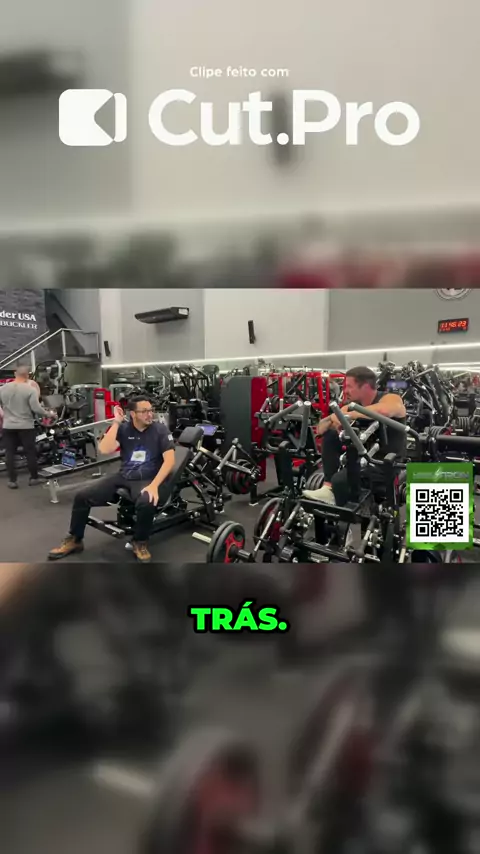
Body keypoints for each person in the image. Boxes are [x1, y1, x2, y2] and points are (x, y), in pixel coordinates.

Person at [48, 396, 176, 563]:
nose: (149, 414)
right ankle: (75, 539)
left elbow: (170, 461)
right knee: (82, 497)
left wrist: (154, 486)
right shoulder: (124, 429)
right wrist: (116, 423)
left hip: (148, 478)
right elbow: (104, 449)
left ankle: (140, 541)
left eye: (151, 410)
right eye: (144, 411)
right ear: (133, 414)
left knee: (147, 501)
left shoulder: (160, 430)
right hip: (124, 475)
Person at [303, 366, 407, 505]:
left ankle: (354, 508)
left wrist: (346, 415)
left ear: (365, 386)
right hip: (361, 459)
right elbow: (320, 428)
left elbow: (384, 411)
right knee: (331, 434)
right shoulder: (352, 405)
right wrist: (332, 418)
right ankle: (328, 488)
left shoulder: (390, 398)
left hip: (384, 464)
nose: (345, 390)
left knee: (340, 480)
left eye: (349, 386)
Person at [0, 365, 55, 489]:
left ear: (15, 374)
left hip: (8, 426)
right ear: (27, 376)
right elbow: (36, 408)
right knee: (30, 452)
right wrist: (49, 414)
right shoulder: (30, 390)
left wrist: (5, 414)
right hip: (25, 426)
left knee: (9, 453)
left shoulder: (3, 389)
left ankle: (12, 481)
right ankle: (34, 478)